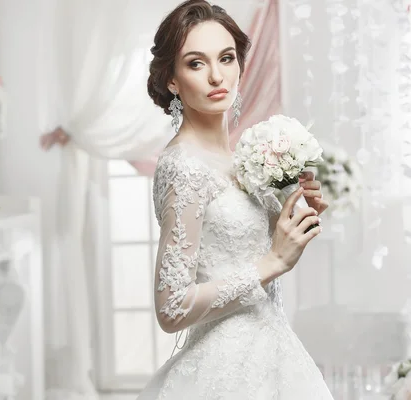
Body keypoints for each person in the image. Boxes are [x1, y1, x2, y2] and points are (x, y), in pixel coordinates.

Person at [137, 1, 333, 399]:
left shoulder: (237, 158)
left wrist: (293, 219)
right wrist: (273, 262)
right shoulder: (184, 166)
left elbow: (242, 256)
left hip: (273, 353)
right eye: (195, 63)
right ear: (172, 80)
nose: (216, 76)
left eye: (226, 58)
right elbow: (171, 308)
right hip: (224, 372)